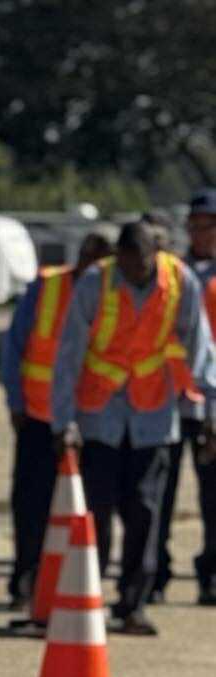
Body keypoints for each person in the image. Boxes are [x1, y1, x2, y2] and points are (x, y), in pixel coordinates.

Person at [51, 219, 216, 636]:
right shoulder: (95, 283)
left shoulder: (180, 282)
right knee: (98, 513)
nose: (134, 273)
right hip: (100, 415)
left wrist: (209, 411)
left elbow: (200, 350)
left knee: (145, 511)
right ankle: (89, 596)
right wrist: (63, 420)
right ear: (118, 258)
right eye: (126, 264)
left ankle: (133, 602)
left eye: (141, 264)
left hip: (153, 415)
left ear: (153, 256)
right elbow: (69, 354)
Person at [1, 228, 114, 608]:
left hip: (91, 422)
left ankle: (79, 585)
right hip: (38, 416)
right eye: (87, 255)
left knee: (89, 509)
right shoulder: (47, 287)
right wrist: (15, 402)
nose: (91, 266)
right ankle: (24, 580)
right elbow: (14, 347)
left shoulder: (116, 297)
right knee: (31, 505)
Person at [154, 188, 216, 606]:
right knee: (159, 493)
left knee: (213, 497)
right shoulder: (171, 272)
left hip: (211, 399)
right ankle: (153, 574)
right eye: (192, 226)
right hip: (168, 397)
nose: (197, 233)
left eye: (205, 226)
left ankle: (210, 575)